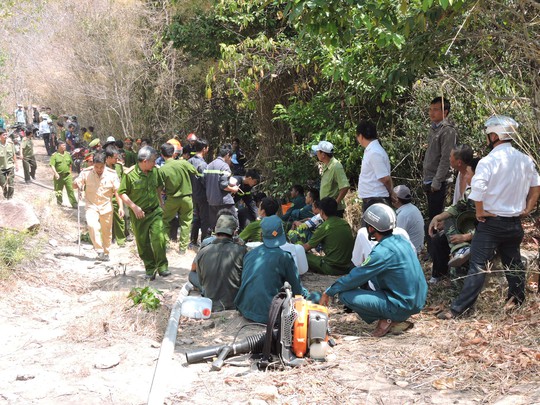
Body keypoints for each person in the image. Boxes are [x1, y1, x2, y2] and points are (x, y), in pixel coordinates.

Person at [438, 115, 540, 319]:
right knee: (514, 264)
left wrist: (479, 211)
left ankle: (458, 310)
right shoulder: (525, 160)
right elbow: (536, 187)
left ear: (495, 135)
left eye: (488, 134)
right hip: (514, 223)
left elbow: (477, 190)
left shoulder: (488, 161)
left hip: (491, 224)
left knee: (477, 265)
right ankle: (516, 302)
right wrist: (527, 208)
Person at [319, 203, 428, 337]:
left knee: (345, 295)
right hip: (417, 300)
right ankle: (394, 315)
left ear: (371, 228)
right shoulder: (401, 240)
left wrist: (330, 291)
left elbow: (356, 277)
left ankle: (390, 318)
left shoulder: (382, 252)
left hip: (402, 304)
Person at [235, 215, 308, 324]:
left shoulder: (250, 254)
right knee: (315, 297)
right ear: (282, 234)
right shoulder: (285, 257)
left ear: (261, 235)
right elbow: (298, 291)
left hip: (245, 309)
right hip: (269, 314)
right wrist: (309, 295)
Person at [118, 146, 170, 280]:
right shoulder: (129, 174)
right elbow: (122, 193)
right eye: (153, 160)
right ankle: (150, 269)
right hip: (139, 215)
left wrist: (161, 203)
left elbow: (158, 186)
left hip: (154, 211)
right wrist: (134, 207)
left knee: (159, 238)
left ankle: (163, 267)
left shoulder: (155, 171)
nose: (155, 163)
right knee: (143, 243)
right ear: (145, 161)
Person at [428, 145, 476, 283]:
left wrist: (466, 235)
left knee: (444, 231)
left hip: (470, 225)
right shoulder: (461, 174)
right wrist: (440, 218)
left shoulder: (473, 179)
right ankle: (438, 274)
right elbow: (456, 206)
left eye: (450, 157)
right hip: (459, 220)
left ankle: (460, 252)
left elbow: (469, 212)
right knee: (436, 234)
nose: (448, 159)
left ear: (459, 162)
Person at [189, 214, 247, 312]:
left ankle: (205, 290)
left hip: (210, 302)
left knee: (192, 274)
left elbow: (194, 270)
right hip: (233, 303)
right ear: (234, 232)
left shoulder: (203, 251)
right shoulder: (241, 251)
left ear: (215, 230)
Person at [73, 152, 123, 261]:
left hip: (106, 207)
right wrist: (76, 182)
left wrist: (121, 207)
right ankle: (99, 249)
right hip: (91, 205)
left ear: (105, 164)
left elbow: (118, 192)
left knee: (107, 232)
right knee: (92, 225)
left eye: (101, 167)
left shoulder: (112, 174)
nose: (99, 169)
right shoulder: (86, 173)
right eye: (96, 166)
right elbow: (75, 185)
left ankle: (106, 252)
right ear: (93, 165)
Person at [422, 96, 458, 221]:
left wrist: (437, 181)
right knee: (432, 216)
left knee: (438, 219)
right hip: (429, 179)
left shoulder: (447, 131)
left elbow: (446, 158)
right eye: (430, 109)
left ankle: (438, 240)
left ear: (445, 112)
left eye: (436, 109)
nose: (432, 112)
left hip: (439, 183)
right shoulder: (433, 128)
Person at [159, 142, 198, 254]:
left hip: (172, 199)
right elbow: (194, 171)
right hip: (187, 198)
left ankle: (165, 245)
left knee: (165, 221)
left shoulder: (162, 169)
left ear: (162, 154)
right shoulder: (183, 163)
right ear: (174, 153)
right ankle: (182, 249)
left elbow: (160, 188)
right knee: (186, 223)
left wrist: (161, 201)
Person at [303, 197, 354, 275]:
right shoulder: (345, 223)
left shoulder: (324, 227)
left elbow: (306, 247)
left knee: (302, 254)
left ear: (322, 212)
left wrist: (295, 247)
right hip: (347, 267)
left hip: (331, 268)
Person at [356, 120, 394, 213]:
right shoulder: (371, 150)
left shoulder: (374, 152)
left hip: (376, 200)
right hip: (373, 199)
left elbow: (385, 178)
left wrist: (391, 192)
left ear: (360, 136)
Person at [204, 143, 240, 230]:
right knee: (234, 223)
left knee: (214, 226)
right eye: (230, 157)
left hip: (211, 200)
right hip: (224, 201)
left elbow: (205, 181)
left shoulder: (209, 165)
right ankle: (233, 241)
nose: (230, 160)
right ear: (228, 155)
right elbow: (223, 185)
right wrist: (234, 189)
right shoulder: (225, 167)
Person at [311, 141, 350, 217]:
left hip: (334, 211)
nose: (316, 153)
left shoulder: (336, 166)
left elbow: (345, 187)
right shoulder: (327, 165)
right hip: (326, 209)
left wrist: (335, 204)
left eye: (318, 151)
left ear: (323, 155)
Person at [188, 138, 210, 247]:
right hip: (202, 195)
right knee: (205, 219)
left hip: (192, 194)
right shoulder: (203, 165)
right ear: (204, 149)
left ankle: (193, 241)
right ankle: (204, 243)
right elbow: (205, 182)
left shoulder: (189, 161)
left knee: (195, 218)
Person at [391, 185, 424, 253]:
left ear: (396, 199)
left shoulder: (403, 215)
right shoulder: (413, 208)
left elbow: (397, 238)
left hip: (411, 252)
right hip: (417, 248)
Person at [105, 145, 126, 247]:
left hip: (117, 196)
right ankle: (108, 239)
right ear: (108, 158)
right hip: (105, 197)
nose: (117, 160)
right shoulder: (101, 167)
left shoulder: (119, 167)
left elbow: (122, 180)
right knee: (106, 220)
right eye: (115, 158)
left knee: (120, 218)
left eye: (117, 158)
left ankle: (121, 240)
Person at [50, 141, 78, 208]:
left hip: (67, 176)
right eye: (63, 145)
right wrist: (56, 173)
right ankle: (59, 203)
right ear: (59, 146)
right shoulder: (54, 155)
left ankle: (74, 203)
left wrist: (70, 173)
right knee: (58, 190)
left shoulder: (68, 154)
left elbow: (71, 164)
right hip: (59, 176)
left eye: (65, 145)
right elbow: (52, 165)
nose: (65, 147)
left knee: (70, 189)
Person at [0, 128, 19, 199]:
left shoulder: (10, 144)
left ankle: (10, 197)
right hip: (1, 168)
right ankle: (5, 194)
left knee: (11, 183)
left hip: (10, 167)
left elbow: (14, 154)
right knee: (3, 184)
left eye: (6, 134)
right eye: (4, 135)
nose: (6, 136)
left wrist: (16, 164)